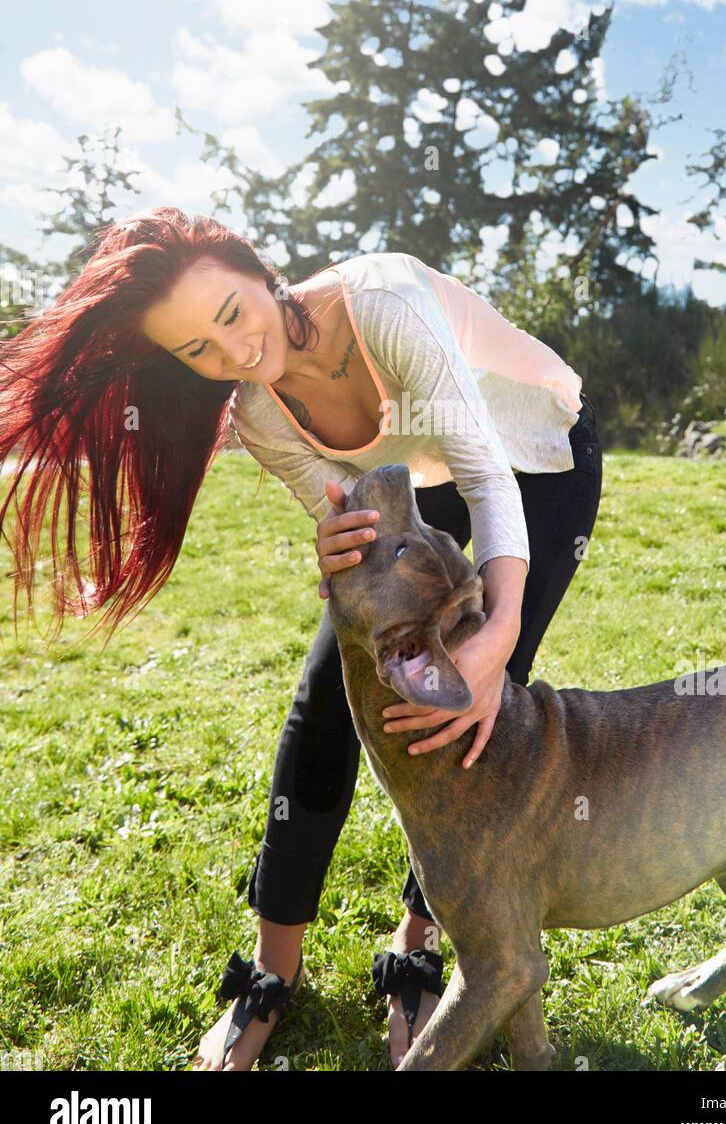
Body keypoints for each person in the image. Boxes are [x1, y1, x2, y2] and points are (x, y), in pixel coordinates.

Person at [0, 206, 603, 1071]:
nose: (233, 354)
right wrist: (338, 543)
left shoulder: (385, 303)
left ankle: (423, 944)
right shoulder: (257, 415)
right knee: (331, 692)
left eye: (232, 315)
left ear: (260, 270)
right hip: (414, 476)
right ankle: (270, 973)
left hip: (535, 458)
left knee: (469, 703)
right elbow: (352, 521)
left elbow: (482, 472)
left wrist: (498, 631)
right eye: (196, 352)